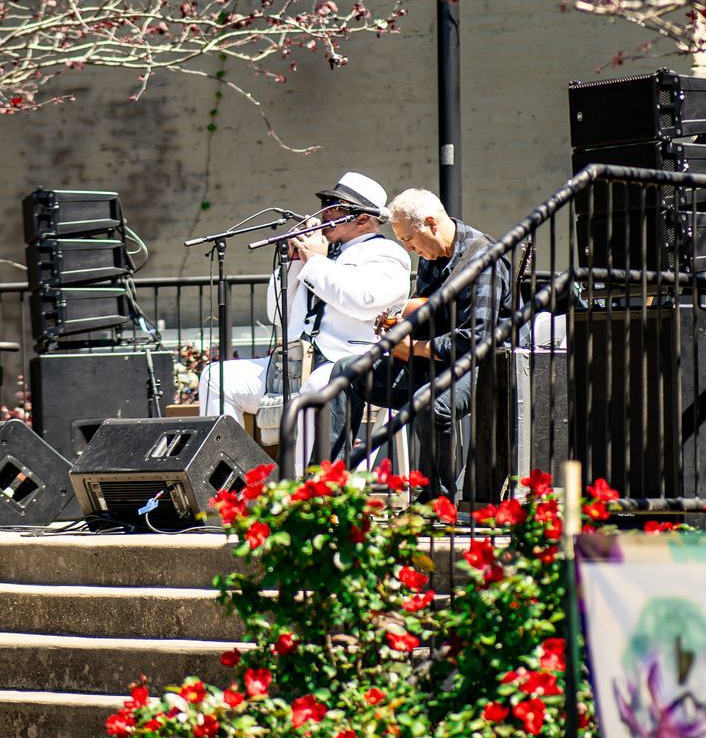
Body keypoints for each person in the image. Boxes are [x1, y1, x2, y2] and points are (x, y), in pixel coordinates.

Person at [196, 172, 411, 458]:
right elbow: (277, 315)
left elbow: (362, 302)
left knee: (315, 386)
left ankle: (305, 492)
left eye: (335, 207)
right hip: (296, 363)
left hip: (346, 363)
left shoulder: (385, 253)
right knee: (217, 376)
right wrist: (293, 264)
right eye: (325, 203)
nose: (324, 213)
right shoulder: (318, 253)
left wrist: (316, 261)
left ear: (362, 219)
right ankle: (232, 482)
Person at [344, 188, 510, 498]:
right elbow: (427, 319)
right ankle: (329, 482)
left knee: (432, 404)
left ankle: (435, 500)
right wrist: (398, 327)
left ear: (431, 222)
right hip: (436, 361)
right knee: (347, 373)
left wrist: (414, 348)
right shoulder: (433, 256)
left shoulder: (483, 258)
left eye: (408, 239)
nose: (407, 249)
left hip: (484, 369)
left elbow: (476, 340)